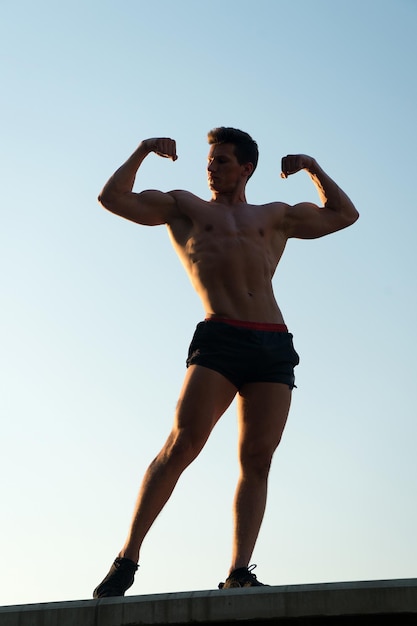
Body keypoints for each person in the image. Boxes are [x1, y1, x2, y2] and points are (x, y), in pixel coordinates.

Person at [93, 127, 359, 597]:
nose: (210, 167)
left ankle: (238, 571)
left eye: (220, 161)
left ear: (245, 168)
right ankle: (127, 558)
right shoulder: (185, 207)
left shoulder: (274, 215)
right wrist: (143, 151)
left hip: (273, 344)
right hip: (220, 337)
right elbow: (113, 199)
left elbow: (344, 214)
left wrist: (313, 168)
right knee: (182, 445)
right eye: (209, 160)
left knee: (257, 459)